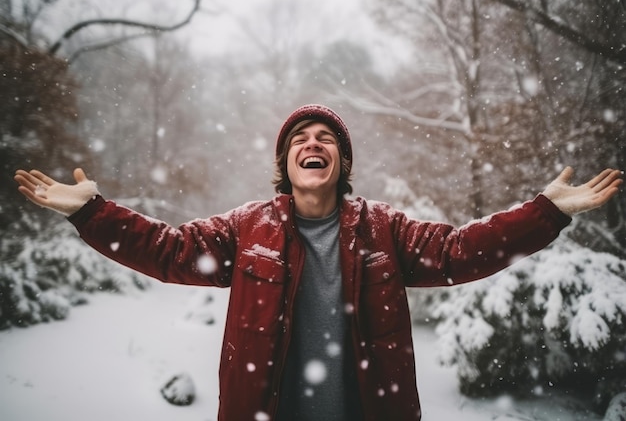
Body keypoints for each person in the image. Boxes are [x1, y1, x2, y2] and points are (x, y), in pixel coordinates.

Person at [14, 104, 622, 421]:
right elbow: (169, 249)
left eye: (326, 138)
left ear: (341, 163)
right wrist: (92, 211)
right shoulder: (246, 227)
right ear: (285, 165)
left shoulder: (385, 228)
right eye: (300, 138)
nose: (313, 144)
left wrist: (546, 212)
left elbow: (460, 250)